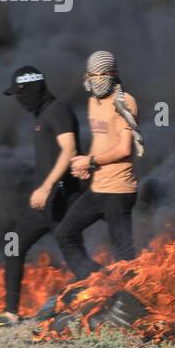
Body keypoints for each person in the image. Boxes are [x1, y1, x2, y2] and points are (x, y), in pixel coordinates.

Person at [0, 66, 82, 326]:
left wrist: (47, 187)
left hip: (61, 200)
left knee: (77, 259)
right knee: (13, 247)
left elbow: (70, 150)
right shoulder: (41, 116)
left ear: (33, 88)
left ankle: (115, 293)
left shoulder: (58, 111)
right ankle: (10, 312)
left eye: (21, 93)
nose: (20, 100)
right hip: (42, 205)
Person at [54, 50, 144, 279]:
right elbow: (100, 139)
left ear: (113, 74)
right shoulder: (93, 102)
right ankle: (96, 285)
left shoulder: (125, 102)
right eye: (92, 75)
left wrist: (90, 160)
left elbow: (125, 148)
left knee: (124, 257)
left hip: (119, 191)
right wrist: (87, 166)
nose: (96, 80)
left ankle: (135, 304)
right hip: (98, 189)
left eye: (102, 74)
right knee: (65, 234)